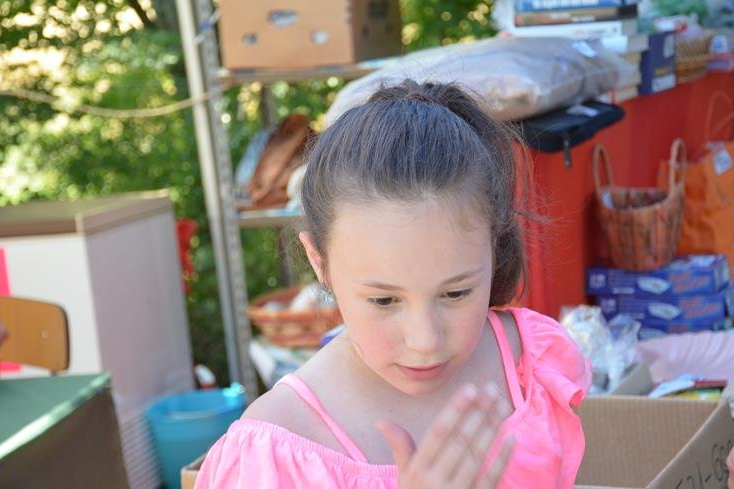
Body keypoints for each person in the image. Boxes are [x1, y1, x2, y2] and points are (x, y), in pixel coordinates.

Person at [196, 80, 592, 489]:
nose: (425, 342)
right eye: (384, 300)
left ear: (494, 246)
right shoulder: (273, 452)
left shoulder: (532, 363)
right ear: (320, 262)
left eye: (456, 293)